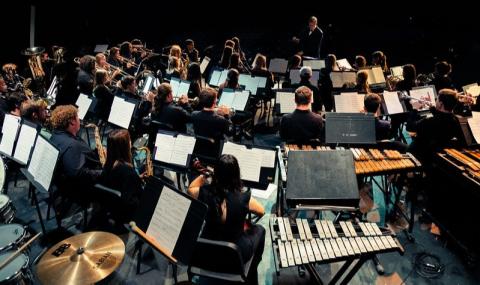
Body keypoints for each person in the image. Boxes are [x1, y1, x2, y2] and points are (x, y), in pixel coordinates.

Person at [188, 154, 265, 284]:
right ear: (236, 174)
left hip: (207, 253)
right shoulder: (243, 198)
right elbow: (261, 211)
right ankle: (252, 273)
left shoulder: (204, 193)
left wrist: (204, 175)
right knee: (260, 230)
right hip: (234, 256)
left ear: (216, 173)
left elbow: (190, 188)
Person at [408, 89, 464, 164]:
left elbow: (410, 127)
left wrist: (414, 109)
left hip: (421, 155)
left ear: (440, 104)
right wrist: (432, 109)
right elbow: (443, 118)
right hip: (438, 157)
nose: (435, 101)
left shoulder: (429, 121)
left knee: (392, 144)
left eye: (437, 99)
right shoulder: (457, 120)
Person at [99, 129, 142, 223]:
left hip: (110, 206)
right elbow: (134, 199)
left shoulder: (108, 164)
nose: (131, 142)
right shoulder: (129, 173)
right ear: (125, 147)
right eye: (129, 140)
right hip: (126, 215)